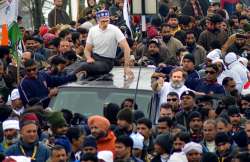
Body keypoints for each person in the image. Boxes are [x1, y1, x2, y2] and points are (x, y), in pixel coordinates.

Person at [74, 10, 133, 79]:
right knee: (75, 65)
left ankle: (67, 79)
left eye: (107, 21)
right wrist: (89, 58)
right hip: (94, 58)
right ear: (98, 21)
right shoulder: (93, 30)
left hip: (107, 62)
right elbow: (87, 49)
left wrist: (126, 66)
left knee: (84, 66)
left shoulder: (115, 30)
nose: (105, 23)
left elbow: (126, 48)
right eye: (103, 21)